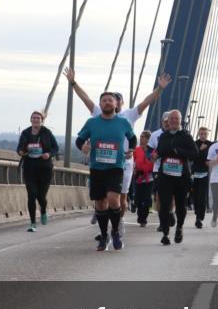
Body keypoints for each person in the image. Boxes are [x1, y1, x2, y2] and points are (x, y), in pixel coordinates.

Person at [64, 66, 170, 231]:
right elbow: (85, 99)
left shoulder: (129, 115)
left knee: (120, 198)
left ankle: (117, 223)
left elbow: (147, 101)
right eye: (109, 99)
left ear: (119, 103)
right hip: (100, 162)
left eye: (116, 99)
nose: (113, 102)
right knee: (103, 197)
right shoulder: (99, 113)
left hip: (124, 163)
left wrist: (160, 88)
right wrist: (73, 83)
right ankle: (101, 213)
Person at [75, 92, 136, 251]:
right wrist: (83, 147)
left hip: (116, 167)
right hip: (97, 168)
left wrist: (130, 150)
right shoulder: (92, 122)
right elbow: (79, 140)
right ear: (100, 104)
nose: (107, 103)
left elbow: (133, 138)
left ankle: (115, 231)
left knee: (113, 199)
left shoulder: (123, 123)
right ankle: (104, 235)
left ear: (116, 104)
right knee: (101, 204)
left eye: (110, 100)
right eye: (104, 101)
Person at [154, 109, 199, 245]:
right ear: (168, 121)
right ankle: (165, 232)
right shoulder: (163, 136)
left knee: (180, 204)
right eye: (171, 119)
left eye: (176, 119)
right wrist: (156, 155)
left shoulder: (186, 136)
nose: (173, 121)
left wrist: (179, 151)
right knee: (164, 204)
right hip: (165, 175)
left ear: (180, 121)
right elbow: (160, 151)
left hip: (181, 176)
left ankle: (179, 227)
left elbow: (195, 154)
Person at [17, 111, 59, 232]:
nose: (35, 120)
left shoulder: (46, 132)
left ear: (42, 120)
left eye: (38, 118)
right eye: (33, 118)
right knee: (31, 195)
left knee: (41, 196)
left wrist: (49, 154)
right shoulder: (25, 133)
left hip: (45, 168)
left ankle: (44, 211)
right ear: (30, 120)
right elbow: (19, 148)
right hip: (30, 168)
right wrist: (21, 152)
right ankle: (32, 223)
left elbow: (55, 148)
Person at [133, 130, 155, 227]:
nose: (141, 138)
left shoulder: (153, 150)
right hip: (138, 177)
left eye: (143, 137)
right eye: (141, 136)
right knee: (138, 198)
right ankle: (138, 210)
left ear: (148, 139)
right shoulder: (136, 149)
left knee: (147, 199)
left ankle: (143, 219)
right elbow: (132, 161)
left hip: (149, 177)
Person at [191, 126, 213, 229]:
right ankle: (197, 214)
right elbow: (193, 157)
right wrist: (199, 150)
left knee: (202, 196)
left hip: (205, 173)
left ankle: (199, 218)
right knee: (195, 195)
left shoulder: (211, 144)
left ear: (207, 134)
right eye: (201, 134)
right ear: (199, 134)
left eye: (205, 134)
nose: (203, 136)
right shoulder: (195, 144)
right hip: (196, 173)